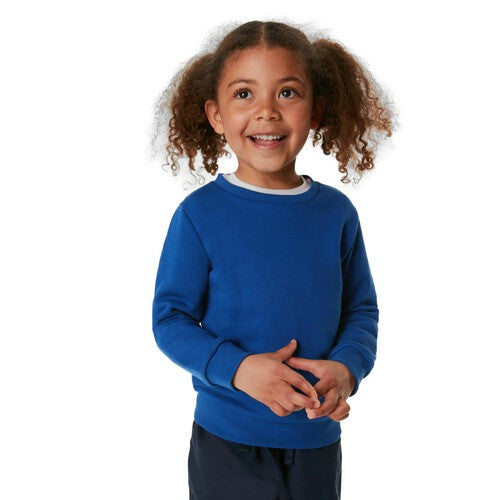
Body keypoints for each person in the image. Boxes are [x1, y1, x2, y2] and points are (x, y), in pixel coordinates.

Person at [150, 19, 396, 500]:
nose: (267, 111)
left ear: (315, 111)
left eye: (287, 93)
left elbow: (361, 311)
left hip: (317, 440)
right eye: (244, 94)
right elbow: (170, 319)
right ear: (216, 115)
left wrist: (347, 370)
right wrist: (239, 369)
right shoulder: (200, 215)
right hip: (227, 441)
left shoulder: (337, 214)